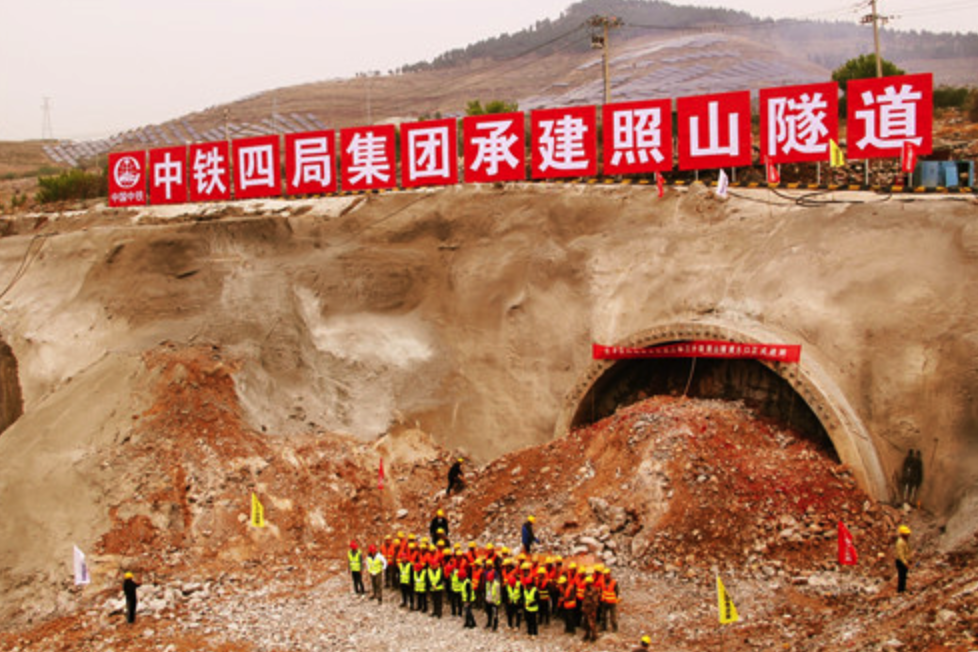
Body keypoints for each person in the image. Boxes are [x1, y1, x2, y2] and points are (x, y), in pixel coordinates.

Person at [581, 575, 600, 642]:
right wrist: (583, 607)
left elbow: (595, 602)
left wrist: (594, 611)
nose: (585, 583)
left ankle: (594, 636)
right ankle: (587, 635)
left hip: (591, 609)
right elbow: (584, 599)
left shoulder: (594, 591)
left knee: (592, 624)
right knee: (586, 623)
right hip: (586, 609)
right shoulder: (586, 589)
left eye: (586, 582)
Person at [599, 567, 619, 632]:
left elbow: (617, 592)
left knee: (613, 616)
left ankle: (614, 628)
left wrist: (613, 598)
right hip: (604, 601)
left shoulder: (614, 582)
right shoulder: (602, 582)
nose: (605, 576)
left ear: (609, 574)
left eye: (606, 575)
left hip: (612, 602)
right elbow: (601, 590)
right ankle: (603, 627)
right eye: (604, 575)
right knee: (603, 616)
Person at [896, 524, 913, 593]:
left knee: (904, 575)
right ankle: (900, 590)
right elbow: (901, 554)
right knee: (902, 576)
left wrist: (909, 559)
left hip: (904, 560)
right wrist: (905, 563)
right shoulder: (900, 542)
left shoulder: (905, 541)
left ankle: (903, 588)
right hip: (901, 561)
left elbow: (907, 551)